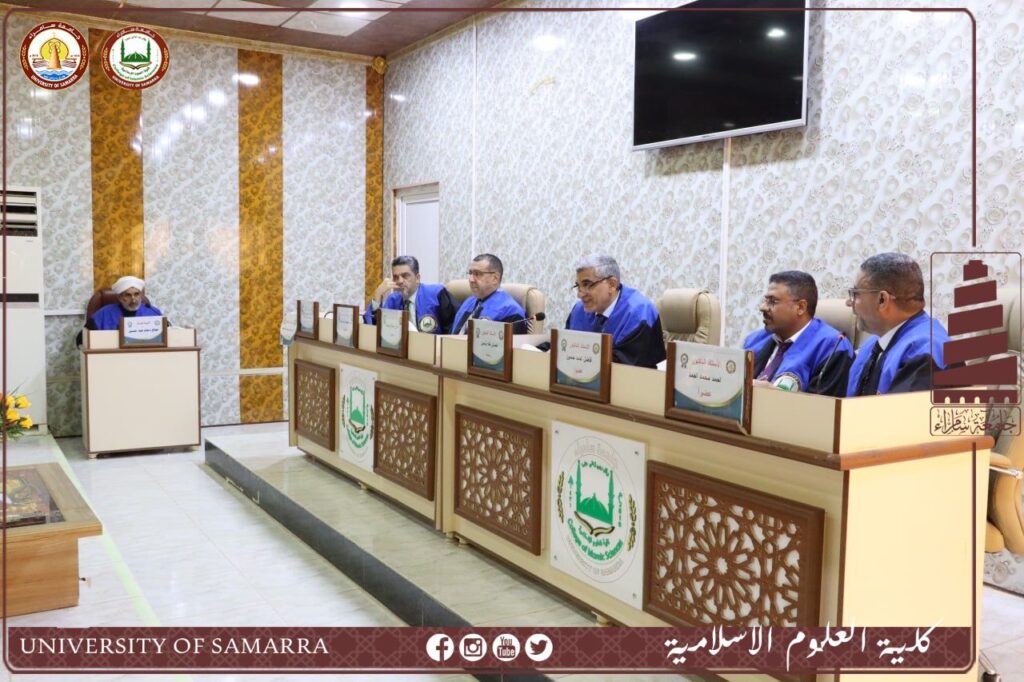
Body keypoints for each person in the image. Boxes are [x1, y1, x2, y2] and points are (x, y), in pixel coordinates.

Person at [846, 252, 948, 396]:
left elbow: (901, 411)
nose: (848, 302)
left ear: (882, 300)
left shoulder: (927, 353)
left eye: (856, 294)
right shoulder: (873, 345)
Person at [742, 271, 853, 396]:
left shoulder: (833, 347)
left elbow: (825, 405)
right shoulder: (754, 340)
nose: (762, 307)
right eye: (765, 300)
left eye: (772, 301)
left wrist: (771, 394)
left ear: (800, 307)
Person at [564, 254, 666, 368]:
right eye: (578, 286)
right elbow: (566, 350)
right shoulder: (579, 311)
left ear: (612, 284)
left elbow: (624, 365)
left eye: (587, 285)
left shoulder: (639, 313)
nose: (580, 294)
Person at [362, 256, 455, 334]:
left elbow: (452, 331)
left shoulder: (437, 294)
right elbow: (377, 331)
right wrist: (377, 296)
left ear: (417, 278)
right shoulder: (393, 300)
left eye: (405, 276)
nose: (400, 281)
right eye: (396, 277)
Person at [450, 253, 527, 334]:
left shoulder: (511, 312)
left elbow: (512, 342)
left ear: (495, 278)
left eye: (477, 274)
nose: (471, 279)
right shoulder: (469, 301)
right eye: (470, 273)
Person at [77, 276, 162, 346]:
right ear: (119, 297)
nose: (133, 300)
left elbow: (165, 337)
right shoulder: (104, 313)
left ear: (141, 295)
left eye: (136, 294)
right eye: (128, 295)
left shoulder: (153, 312)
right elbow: (81, 339)